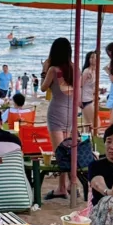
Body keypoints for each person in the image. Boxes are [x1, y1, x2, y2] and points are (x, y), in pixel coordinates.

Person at [41, 37, 75, 199]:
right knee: (68, 150)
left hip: (56, 111)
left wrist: (43, 69)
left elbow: (43, 87)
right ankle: (70, 184)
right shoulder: (74, 69)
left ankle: (62, 187)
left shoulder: (53, 70)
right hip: (71, 113)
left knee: (60, 152)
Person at [80, 51, 98, 118]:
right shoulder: (87, 71)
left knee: (88, 123)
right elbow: (80, 85)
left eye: (96, 57)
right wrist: (79, 100)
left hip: (91, 98)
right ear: (88, 59)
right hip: (86, 99)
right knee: (95, 122)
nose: (95, 59)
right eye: (92, 57)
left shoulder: (95, 71)